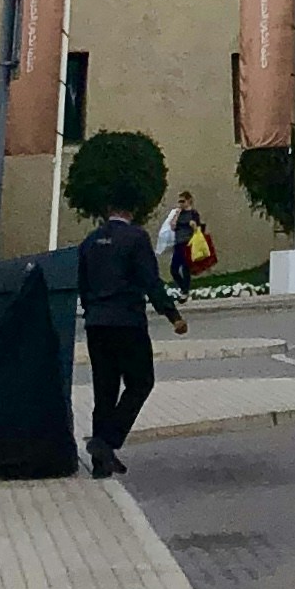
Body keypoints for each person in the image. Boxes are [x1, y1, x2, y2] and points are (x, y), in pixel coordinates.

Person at [77, 190, 185, 478]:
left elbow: (82, 284)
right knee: (141, 382)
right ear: (131, 211)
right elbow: (149, 280)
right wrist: (172, 315)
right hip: (127, 322)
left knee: (105, 389)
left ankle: (102, 463)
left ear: (107, 209)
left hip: (96, 324)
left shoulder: (89, 242)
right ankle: (106, 440)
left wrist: (92, 312)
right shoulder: (136, 239)